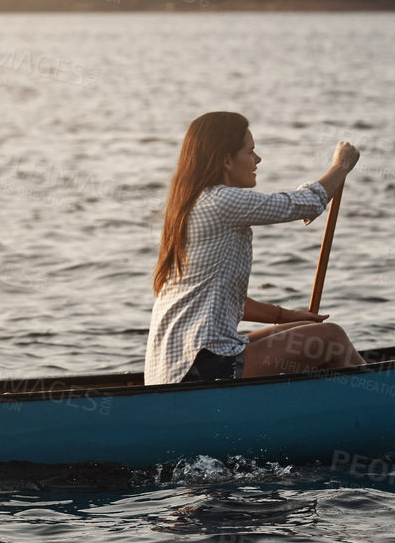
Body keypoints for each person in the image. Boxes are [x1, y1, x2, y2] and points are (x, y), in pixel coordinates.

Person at [145, 111, 364, 385]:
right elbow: (304, 204)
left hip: (179, 364)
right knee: (331, 339)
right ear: (226, 160)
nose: (257, 160)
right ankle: (380, 407)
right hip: (198, 366)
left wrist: (284, 316)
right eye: (251, 152)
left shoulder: (189, 203)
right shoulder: (220, 201)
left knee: (305, 331)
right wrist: (340, 166)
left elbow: (219, 298)